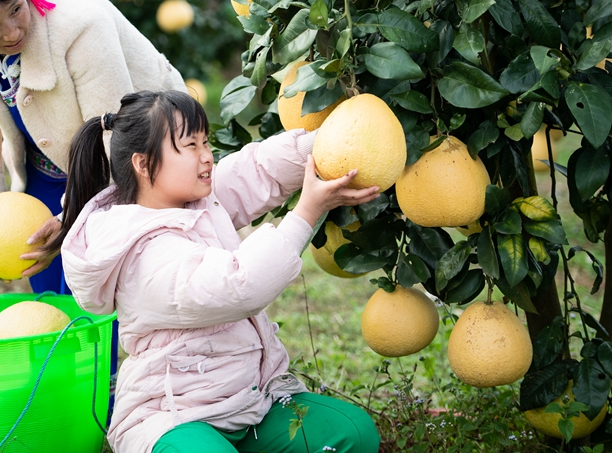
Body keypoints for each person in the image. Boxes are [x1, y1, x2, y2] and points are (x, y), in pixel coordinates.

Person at [58, 90, 383, 453]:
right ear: (144, 164)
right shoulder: (142, 254)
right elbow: (239, 285)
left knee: (353, 434)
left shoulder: (196, 199)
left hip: (248, 404)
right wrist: (307, 211)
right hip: (174, 416)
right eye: (190, 145)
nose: (207, 156)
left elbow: (258, 170)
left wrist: (333, 140)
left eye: (206, 141)